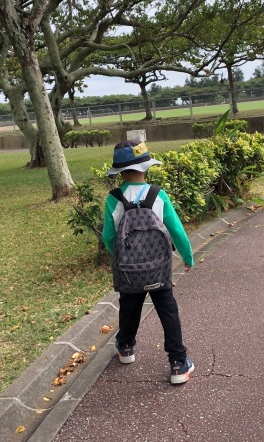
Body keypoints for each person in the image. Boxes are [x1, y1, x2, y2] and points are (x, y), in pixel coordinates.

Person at [101, 140, 195, 385]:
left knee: (129, 308)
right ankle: (178, 363)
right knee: (167, 310)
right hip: (158, 268)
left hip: (128, 271)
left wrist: (119, 256)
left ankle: (126, 347)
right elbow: (175, 229)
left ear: (120, 172)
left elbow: (108, 237)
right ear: (146, 167)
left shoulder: (114, 198)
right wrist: (187, 256)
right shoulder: (158, 194)